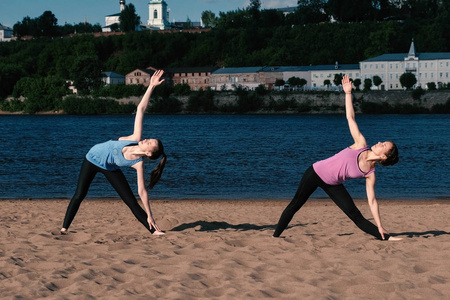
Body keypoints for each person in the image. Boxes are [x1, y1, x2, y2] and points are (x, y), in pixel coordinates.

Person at [273, 75, 400, 241]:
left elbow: (372, 201)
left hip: (333, 184)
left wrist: (380, 224)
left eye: (384, 145)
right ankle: (276, 236)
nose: (379, 142)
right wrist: (347, 93)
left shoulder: (370, 173)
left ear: (383, 156)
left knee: (355, 214)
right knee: (296, 204)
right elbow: (350, 117)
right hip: (315, 173)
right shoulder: (360, 143)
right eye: (383, 142)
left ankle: (384, 236)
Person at [61, 70, 166, 236]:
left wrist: (150, 215)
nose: (147, 139)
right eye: (150, 139)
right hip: (92, 159)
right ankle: (64, 228)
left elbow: (142, 192)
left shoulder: (138, 164)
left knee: (130, 201)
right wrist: (151, 86)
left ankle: (153, 230)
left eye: (150, 143)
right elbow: (140, 109)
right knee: (80, 194)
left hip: (109, 168)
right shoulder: (135, 137)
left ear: (149, 154)